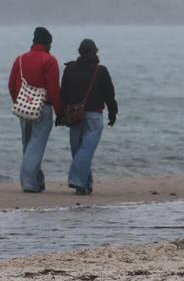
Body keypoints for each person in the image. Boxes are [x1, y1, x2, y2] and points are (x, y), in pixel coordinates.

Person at [59, 39, 118, 195]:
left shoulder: (70, 69)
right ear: (95, 52)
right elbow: (110, 96)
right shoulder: (101, 71)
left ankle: (84, 184)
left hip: (73, 115)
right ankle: (79, 181)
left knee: (78, 150)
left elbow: (63, 93)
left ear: (79, 52)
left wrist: (60, 114)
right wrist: (113, 113)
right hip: (94, 116)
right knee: (85, 151)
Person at [9, 27, 63, 192]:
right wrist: (60, 111)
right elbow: (53, 89)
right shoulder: (49, 60)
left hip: (24, 105)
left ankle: (37, 180)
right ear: (48, 43)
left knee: (28, 144)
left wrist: (19, 102)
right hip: (43, 107)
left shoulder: (20, 59)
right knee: (37, 145)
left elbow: (11, 85)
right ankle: (29, 183)